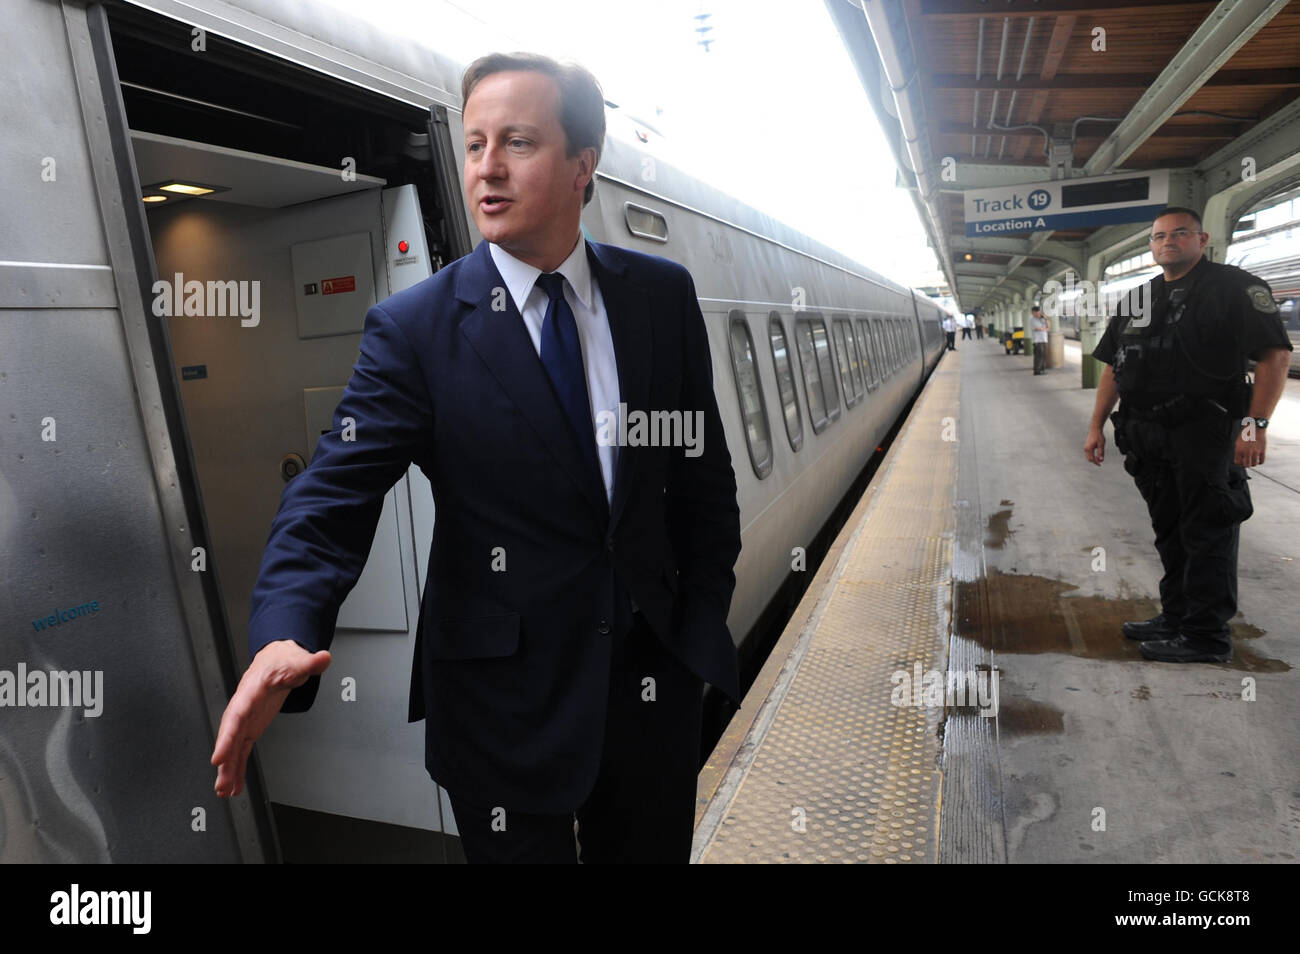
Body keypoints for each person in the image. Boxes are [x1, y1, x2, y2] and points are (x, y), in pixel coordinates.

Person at [209, 52, 743, 863]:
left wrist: (696, 622)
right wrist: (286, 626)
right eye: (474, 144)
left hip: (648, 695)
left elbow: (700, 481)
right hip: (499, 709)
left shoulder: (658, 298)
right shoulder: (417, 329)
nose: (486, 168)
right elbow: (331, 496)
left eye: (518, 142)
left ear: (580, 166)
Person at [1083, 206, 1291, 663]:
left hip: (1207, 432)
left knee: (1207, 531)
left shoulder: (1236, 287)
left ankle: (1206, 636)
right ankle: (1176, 616)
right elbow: (1114, 369)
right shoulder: (1138, 298)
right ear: (1152, 246)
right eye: (1159, 237)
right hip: (1147, 435)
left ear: (1203, 239)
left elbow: (1275, 356)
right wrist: (1096, 425)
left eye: (1180, 234)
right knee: (1170, 531)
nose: (1167, 242)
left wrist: (1254, 426)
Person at [1030, 305, 1049, 374]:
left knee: (1044, 356)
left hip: (1044, 340)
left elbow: (1049, 327)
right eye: (1037, 312)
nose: (1038, 313)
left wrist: (1046, 319)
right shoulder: (1032, 320)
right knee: (1038, 356)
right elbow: (1039, 329)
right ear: (1033, 312)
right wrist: (1045, 329)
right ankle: (1037, 371)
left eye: (1039, 312)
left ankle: (1042, 370)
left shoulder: (1042, 319)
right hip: (1037, 341)